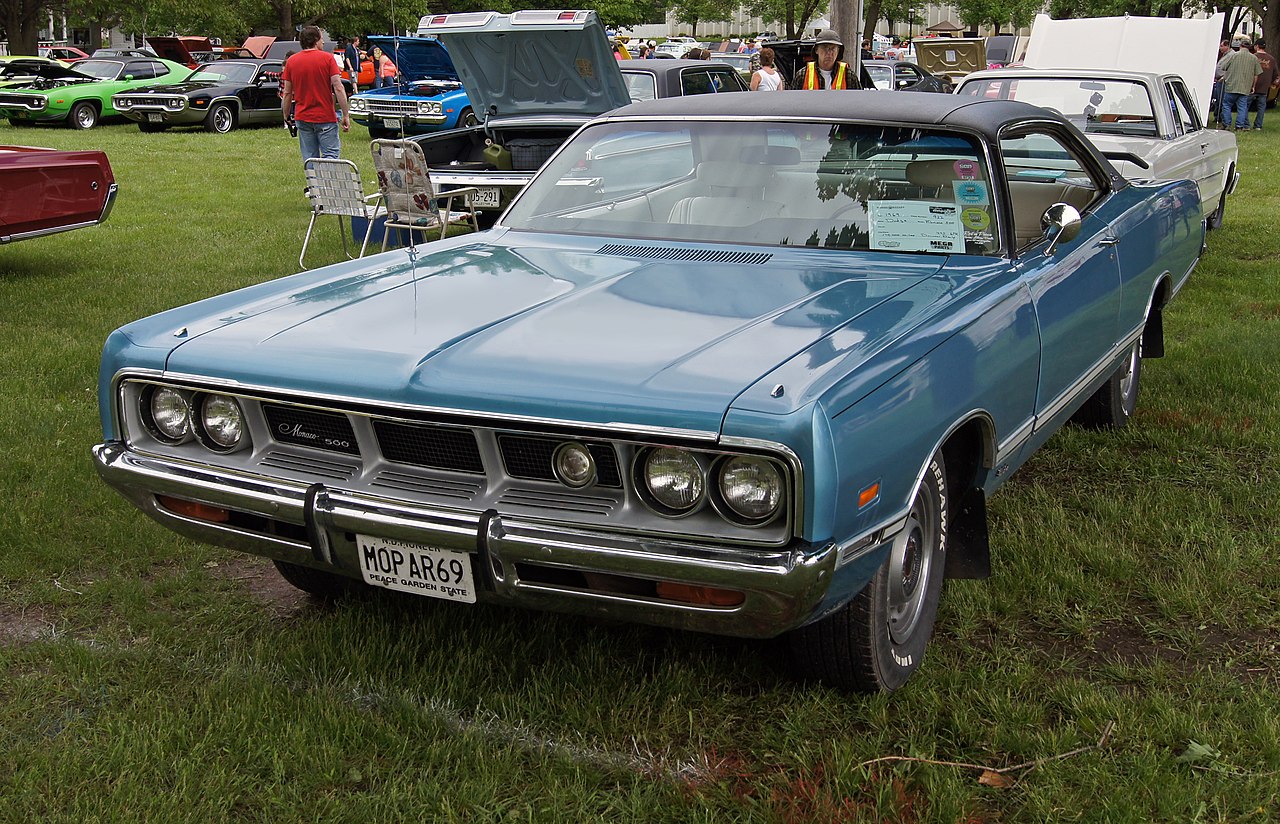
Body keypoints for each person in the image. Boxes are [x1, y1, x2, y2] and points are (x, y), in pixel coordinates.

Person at [282, 25, 351, 162]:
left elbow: (287, 93)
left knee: (309, 158)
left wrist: (286, 114)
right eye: (321, 39)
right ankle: (327, 183)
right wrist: (345, 114)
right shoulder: (328, 58)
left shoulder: (291, 61)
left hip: (303, 116)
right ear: (315, 40)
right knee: (330, 155)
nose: (323, 42)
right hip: (325, 115)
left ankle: (314, 183)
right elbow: (338, 87)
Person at [1217, 37, 1261, 130]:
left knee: (1227, 105)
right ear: (1249, 47)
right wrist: (1253, 86)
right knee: (1242, 107)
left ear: (1240, 46)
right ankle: (1239, 126)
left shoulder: (1233, 55)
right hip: (1245, 87)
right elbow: (1256, 74)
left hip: (1231, 86)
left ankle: (1226, 124)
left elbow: (1224, 67)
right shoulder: (1254, 58)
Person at [793, 29, 859, 89]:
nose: (829, 52)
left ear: (838, 51)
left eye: (833, 48)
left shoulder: (848, 75)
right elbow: (792, 100)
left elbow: (859, 100)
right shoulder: (802, 75)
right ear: (816, 50)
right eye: (825, 47)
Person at [1248, 40, 1277, 129]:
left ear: (1257, 46)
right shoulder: (1271, 59)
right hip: (1264, 87)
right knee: (1261, 108)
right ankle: (1258, 126)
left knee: (1245, 105)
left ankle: (1245, 124)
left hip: (1252, 86)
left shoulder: (1253, 57)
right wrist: (1270, 82)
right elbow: (1275, 74)